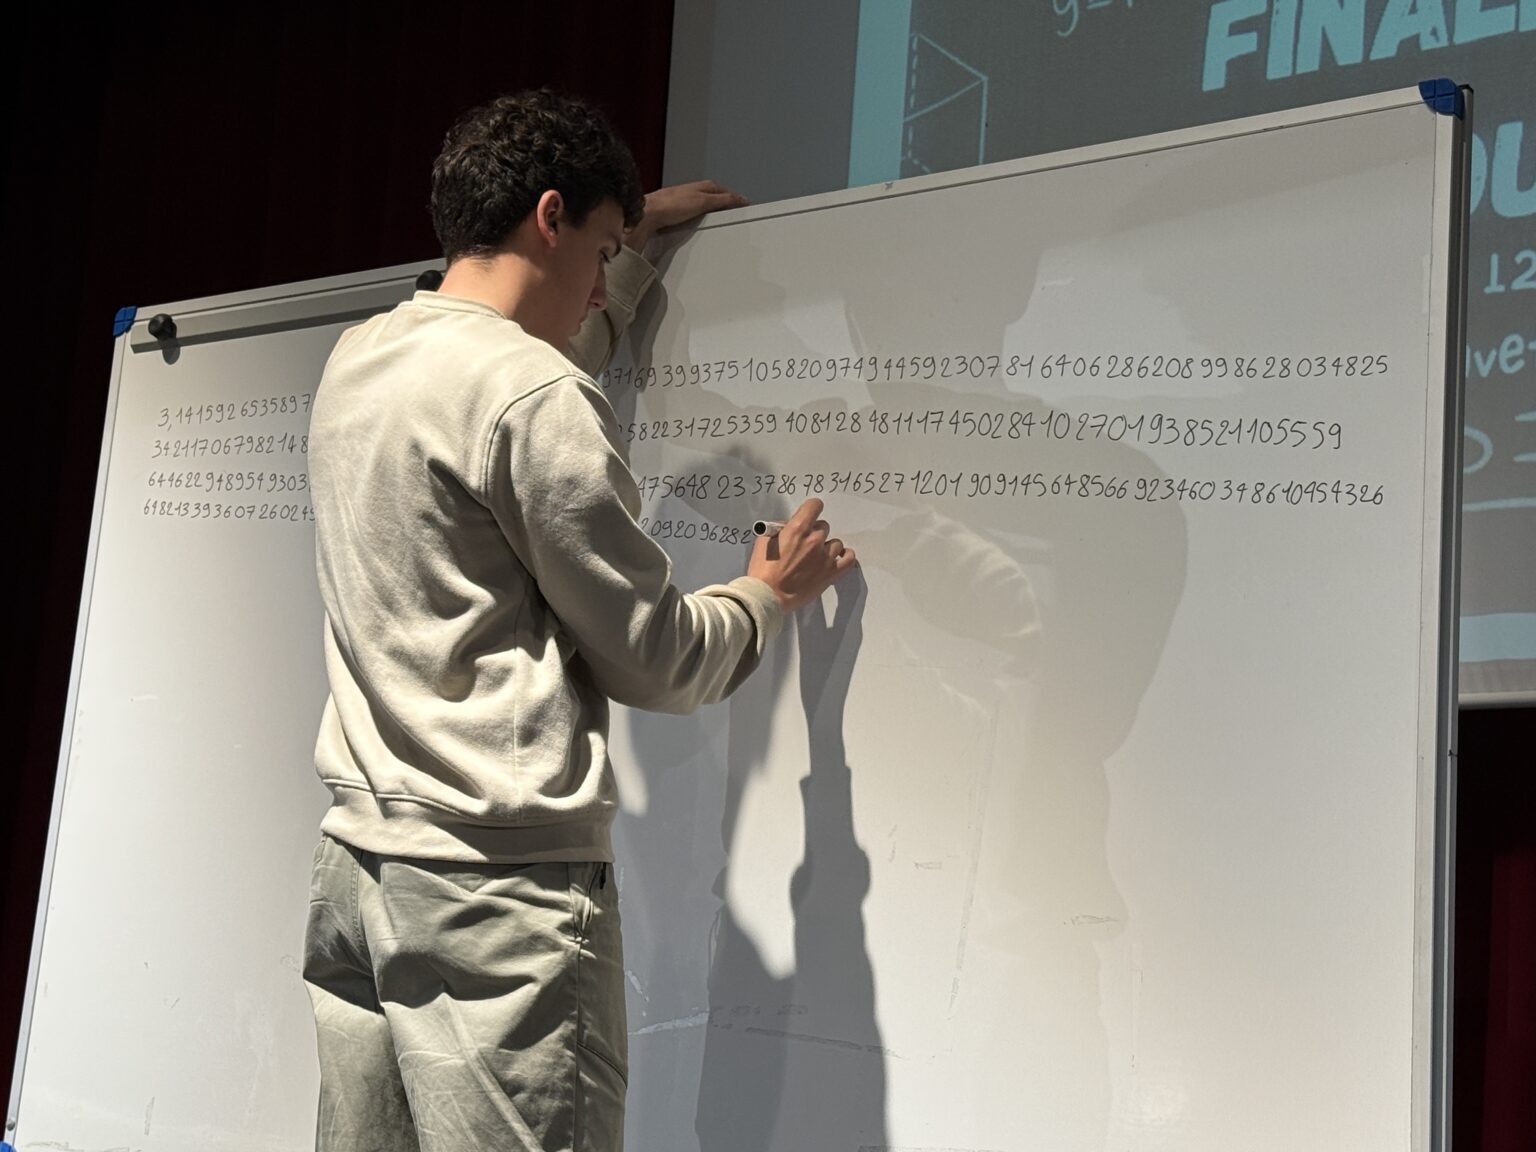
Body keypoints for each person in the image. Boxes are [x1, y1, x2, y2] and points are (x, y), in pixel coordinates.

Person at [300, 89, 856, 1152]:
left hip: (359, 866)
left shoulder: (363, 355)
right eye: (600, 251)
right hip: (495, 893)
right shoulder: (531, 397)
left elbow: (504, 411)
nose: (603, 284)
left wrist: (631, 249)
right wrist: (765, 596)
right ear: (549, 216)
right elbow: (657, 659)